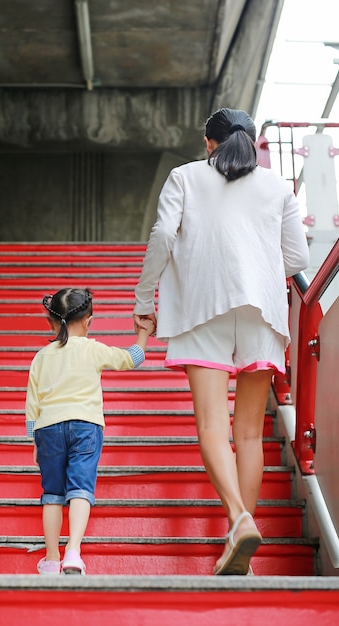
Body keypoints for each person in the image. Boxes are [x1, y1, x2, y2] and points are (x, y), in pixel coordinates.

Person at [133, 108, 310, 575]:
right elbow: (298, 256)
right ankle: (242, 553)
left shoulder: (185, 177)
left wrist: (143, 295)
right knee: (248, 432)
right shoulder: (276, 186)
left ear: (208, 143)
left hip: (201, 307)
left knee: (213, 426)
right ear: (252, 143)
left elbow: (164, 234)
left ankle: (239, 519)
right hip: (262, 312)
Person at [25, 287, 155, 575]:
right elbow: (131, 358)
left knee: (52, 494)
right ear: (88, 321)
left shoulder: (41, 357)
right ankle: (73, 551)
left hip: (48, 429)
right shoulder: (92, 348)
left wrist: (34, 438)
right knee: (81, 488)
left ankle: (50, 559)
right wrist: (143, 334)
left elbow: (32, 402)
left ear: (51, 322)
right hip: (86, 425)